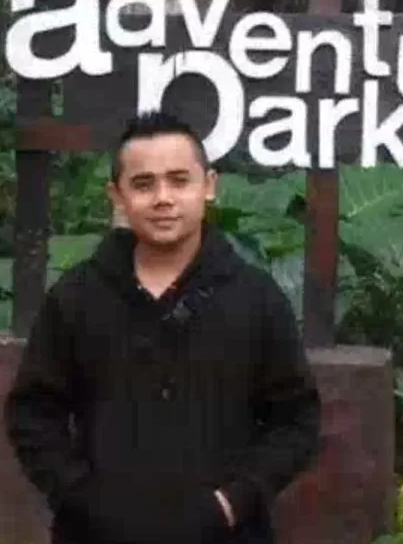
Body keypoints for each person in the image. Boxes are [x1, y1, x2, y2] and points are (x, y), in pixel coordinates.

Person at [5, 111, 321, 544]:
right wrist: (83, 499)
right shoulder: (77, 297)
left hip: (226, 534)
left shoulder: (255, 298)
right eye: (143, 184)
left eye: (179, 180)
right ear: (116, 195)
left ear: (209, 186)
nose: (163, 198)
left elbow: (296, 420)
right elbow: (33, 413)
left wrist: (231, 503)